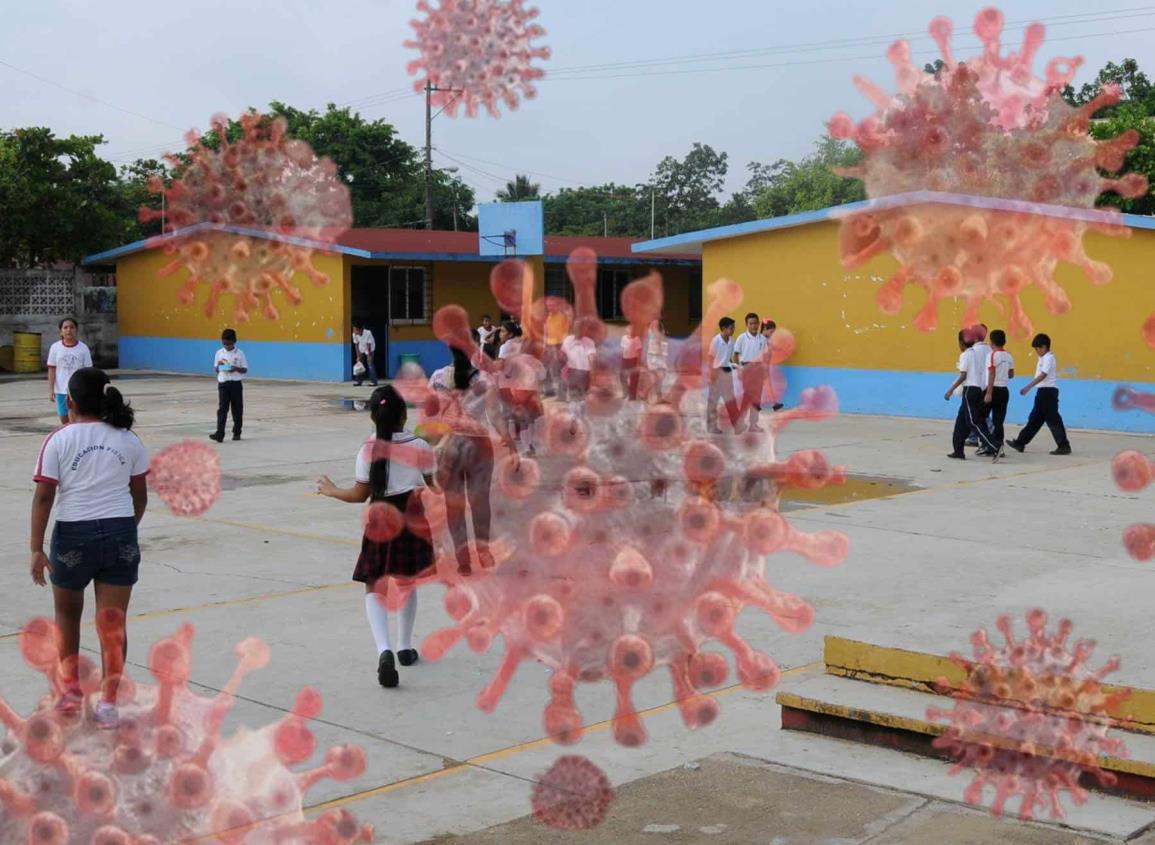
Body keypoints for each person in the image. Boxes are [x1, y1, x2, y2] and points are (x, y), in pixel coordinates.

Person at [30, 367, 148, 727]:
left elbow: (44, 497)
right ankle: (109, 705)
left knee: (68, 616)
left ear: (73, 401)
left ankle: (69, 693)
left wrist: (36, 548)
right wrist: (124, 531)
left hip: (72, 535)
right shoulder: (129, 440)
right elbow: (139, 498)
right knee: (113, 624)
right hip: (120, 532)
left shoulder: (59, 440)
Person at [317, 385, 437, 688]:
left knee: (375, 582)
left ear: (373, 416)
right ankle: (404, 647)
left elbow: (359, 495)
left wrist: (332, 491)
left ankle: (384, 650)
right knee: (407, 581)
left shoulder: (367, 450)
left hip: (380, 517)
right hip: (412, 516)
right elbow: (437, 485)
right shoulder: (420, 445)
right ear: (403, 415)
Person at [429, 335, 499, 575]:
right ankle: (484, 552)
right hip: (480, 445)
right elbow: (494, 415)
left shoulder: (438, 377)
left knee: (454, 505)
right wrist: (509, 440)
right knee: (480, 502)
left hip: (451, 446)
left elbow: (431, 415)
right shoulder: (485, 379)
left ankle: (463, 561)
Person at [1008, 333, 1071, 455]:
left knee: (1053, 419)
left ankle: (1063, 445)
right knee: (1035, 419)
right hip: (1042, 392)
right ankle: (1020, 442)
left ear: (1044, 347)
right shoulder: (1043, 358)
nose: (1036, 351)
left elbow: (1043, 375)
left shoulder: (1049, 358)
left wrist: (1028, 387)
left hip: (1048, 392)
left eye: (1037, 349)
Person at [47, 317, 93, 426]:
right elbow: (52, 369)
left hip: (78, 390)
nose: (68, 330)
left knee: (77, 418)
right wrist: (51, 390)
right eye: (65, 327)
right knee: (64, 417)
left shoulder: (83, 348)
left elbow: (88, 371)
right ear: (61, 331)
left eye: (72, 327)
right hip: (61, 390)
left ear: (76, 330)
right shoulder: (55, 347)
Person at [732, 312, 768, 432]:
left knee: (757, 398)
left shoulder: (762, 339)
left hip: (758, 369)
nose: (753, 326)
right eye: (751, 323)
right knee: (747, 397)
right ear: (746, 324)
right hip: (746, 368)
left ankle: (754, 424)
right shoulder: (742, 338)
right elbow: (735, 355)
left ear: (758, 324)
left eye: (755, 323)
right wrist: (738, 369)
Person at [210, 328, 248, 443]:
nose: (227, 346)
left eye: (229, 344)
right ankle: (220, 433)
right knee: (222, 409)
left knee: (237, 409)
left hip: (235, 384)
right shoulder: (219, 353)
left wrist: (235, 368)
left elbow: (245, 369)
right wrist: (219, 366)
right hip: (223, 384)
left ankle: (237, 432)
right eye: (224, 343)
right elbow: (216, 369)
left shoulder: (240, 353)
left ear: (234, 341)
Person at [984, 329, 1015, 460]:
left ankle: (988, 444)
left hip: (994, 389)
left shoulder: (992, 355)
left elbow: (991, 373)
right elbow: (1011, 374)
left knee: (980, 416)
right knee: (998, 421)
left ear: (992, 342)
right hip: (1004, 390)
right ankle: (999, 446)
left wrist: (989, 393)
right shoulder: (1009, 356)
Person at [944, 329, 975, 460]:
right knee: (963, 420)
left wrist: (951, 389)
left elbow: (963, 375)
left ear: (961, 343)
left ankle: (994, 445)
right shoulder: (976, 353)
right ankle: (958, 450)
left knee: (974, 421)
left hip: (970, 390)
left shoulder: (965, 355)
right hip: (976, 390)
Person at [707, 317, 739, 434]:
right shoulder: (716, 341)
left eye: (733, 327)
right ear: (723, 328)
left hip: (727, 371)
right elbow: (711, 358)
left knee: (730, 399)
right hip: (716, 372)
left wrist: (734, 365)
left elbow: (729, 357)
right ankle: (711, 426)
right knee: (713, 402)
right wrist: (711, 375)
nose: (733, 330)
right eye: (731, 328)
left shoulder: (731, 340)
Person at [561, 320, 597, 405]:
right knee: (577, 395)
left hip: (583, 371)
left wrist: (593, 372)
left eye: (581, 328)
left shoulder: (588, 341)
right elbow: (562, 355)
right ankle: (578, 412)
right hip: (573, 370)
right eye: (578, 328)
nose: (579, 330)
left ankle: (579, 412)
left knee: (579, 395)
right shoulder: (568, 339)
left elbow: (592, 357)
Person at [543, 300, 572, 399]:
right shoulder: (548, 317)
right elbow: (546, 332)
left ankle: (562, 395)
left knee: (559, 371)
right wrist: (545, 346)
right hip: (548, 346)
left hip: (558, 346)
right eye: (548, 306)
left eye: (552, 305)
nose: (550, 308)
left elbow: (566, 334)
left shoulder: (563, 317)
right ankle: (548, 391)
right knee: (546, 370)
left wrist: (562, 349)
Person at [760, 320, 785, 412]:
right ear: (765, 329)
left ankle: (774, 403)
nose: (772, 334)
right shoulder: (760, 339)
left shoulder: (767, 340)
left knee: (767, 384)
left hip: (764, 365)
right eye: (771, 332)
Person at [645, 317, 669, 402]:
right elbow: (656, 334)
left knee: (660, 376)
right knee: (657, 376)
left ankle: (658, 397)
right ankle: (647, 394)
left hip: (658, 354)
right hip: (655, 354)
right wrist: (660, 344)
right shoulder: (655, 321)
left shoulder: (659, 323)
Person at [620, 323, 643, 401]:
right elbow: (623, 350)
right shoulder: (624, 338)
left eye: (632, 329)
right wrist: (621, 359)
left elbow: (639, 351)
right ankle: (625, 393)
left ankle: (632, 397)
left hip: (633, 360)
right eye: (629, 329)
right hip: (625, 360)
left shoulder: (637, 339)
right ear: (626, 330)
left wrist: (638, 363)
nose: (630, 330)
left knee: (633, 379)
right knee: (622, 377)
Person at [352, 322, 378, 387]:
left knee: (370, 364)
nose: (354, 331)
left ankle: (373, 381)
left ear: (360, 329)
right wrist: (358, 356)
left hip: (370, 348)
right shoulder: (354, 334)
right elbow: (356, 344)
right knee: (359, 364)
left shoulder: (368, 333)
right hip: (361, 348)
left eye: (355, 329)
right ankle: (358, 381)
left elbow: (369, 344)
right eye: (353, 329)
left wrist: (369, 355)